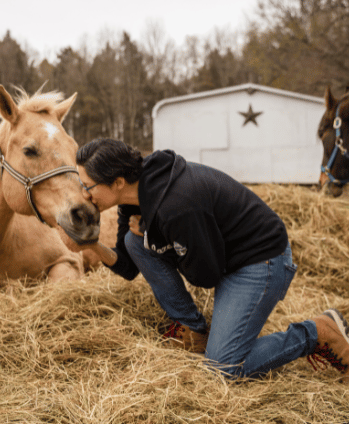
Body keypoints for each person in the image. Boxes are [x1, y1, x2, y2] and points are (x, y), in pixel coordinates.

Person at [66, 138, 349, 381]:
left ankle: (316, 332)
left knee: (223, 369)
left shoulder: (176, 206)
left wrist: (157, 236)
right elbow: (129, 267)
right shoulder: (134, 199)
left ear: (117, 182)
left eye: (88, 185)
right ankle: (194, 328)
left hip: (261, 259)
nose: (84, 194)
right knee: (133, 240)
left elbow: (206, 277)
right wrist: (91, 245)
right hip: (227, 257)